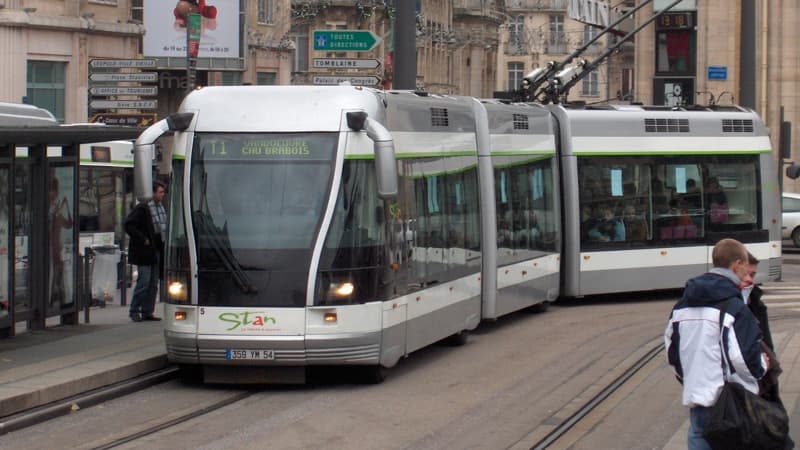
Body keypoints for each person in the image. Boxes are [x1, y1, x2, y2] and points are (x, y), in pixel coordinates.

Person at [664, 238, 769, 450]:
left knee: (698, 438)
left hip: (698, 398)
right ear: (737, 264)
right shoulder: (735, 307)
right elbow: (743, 358)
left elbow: (671, 350)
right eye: (744, 266)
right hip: (730, 402)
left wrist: (690, 379)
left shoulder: (682, 305)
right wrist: (762, 367)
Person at [125, 181, 167, 322]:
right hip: (144, 251)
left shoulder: (161, 207)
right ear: (153, 193)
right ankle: (134, 310)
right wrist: (143, 239)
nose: (162, 194)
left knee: (153, 283)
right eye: (160, 192)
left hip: (156, 248)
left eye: (163, 192)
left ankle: (147, 311)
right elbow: (129, 225)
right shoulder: (143, 208)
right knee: (143, 281)